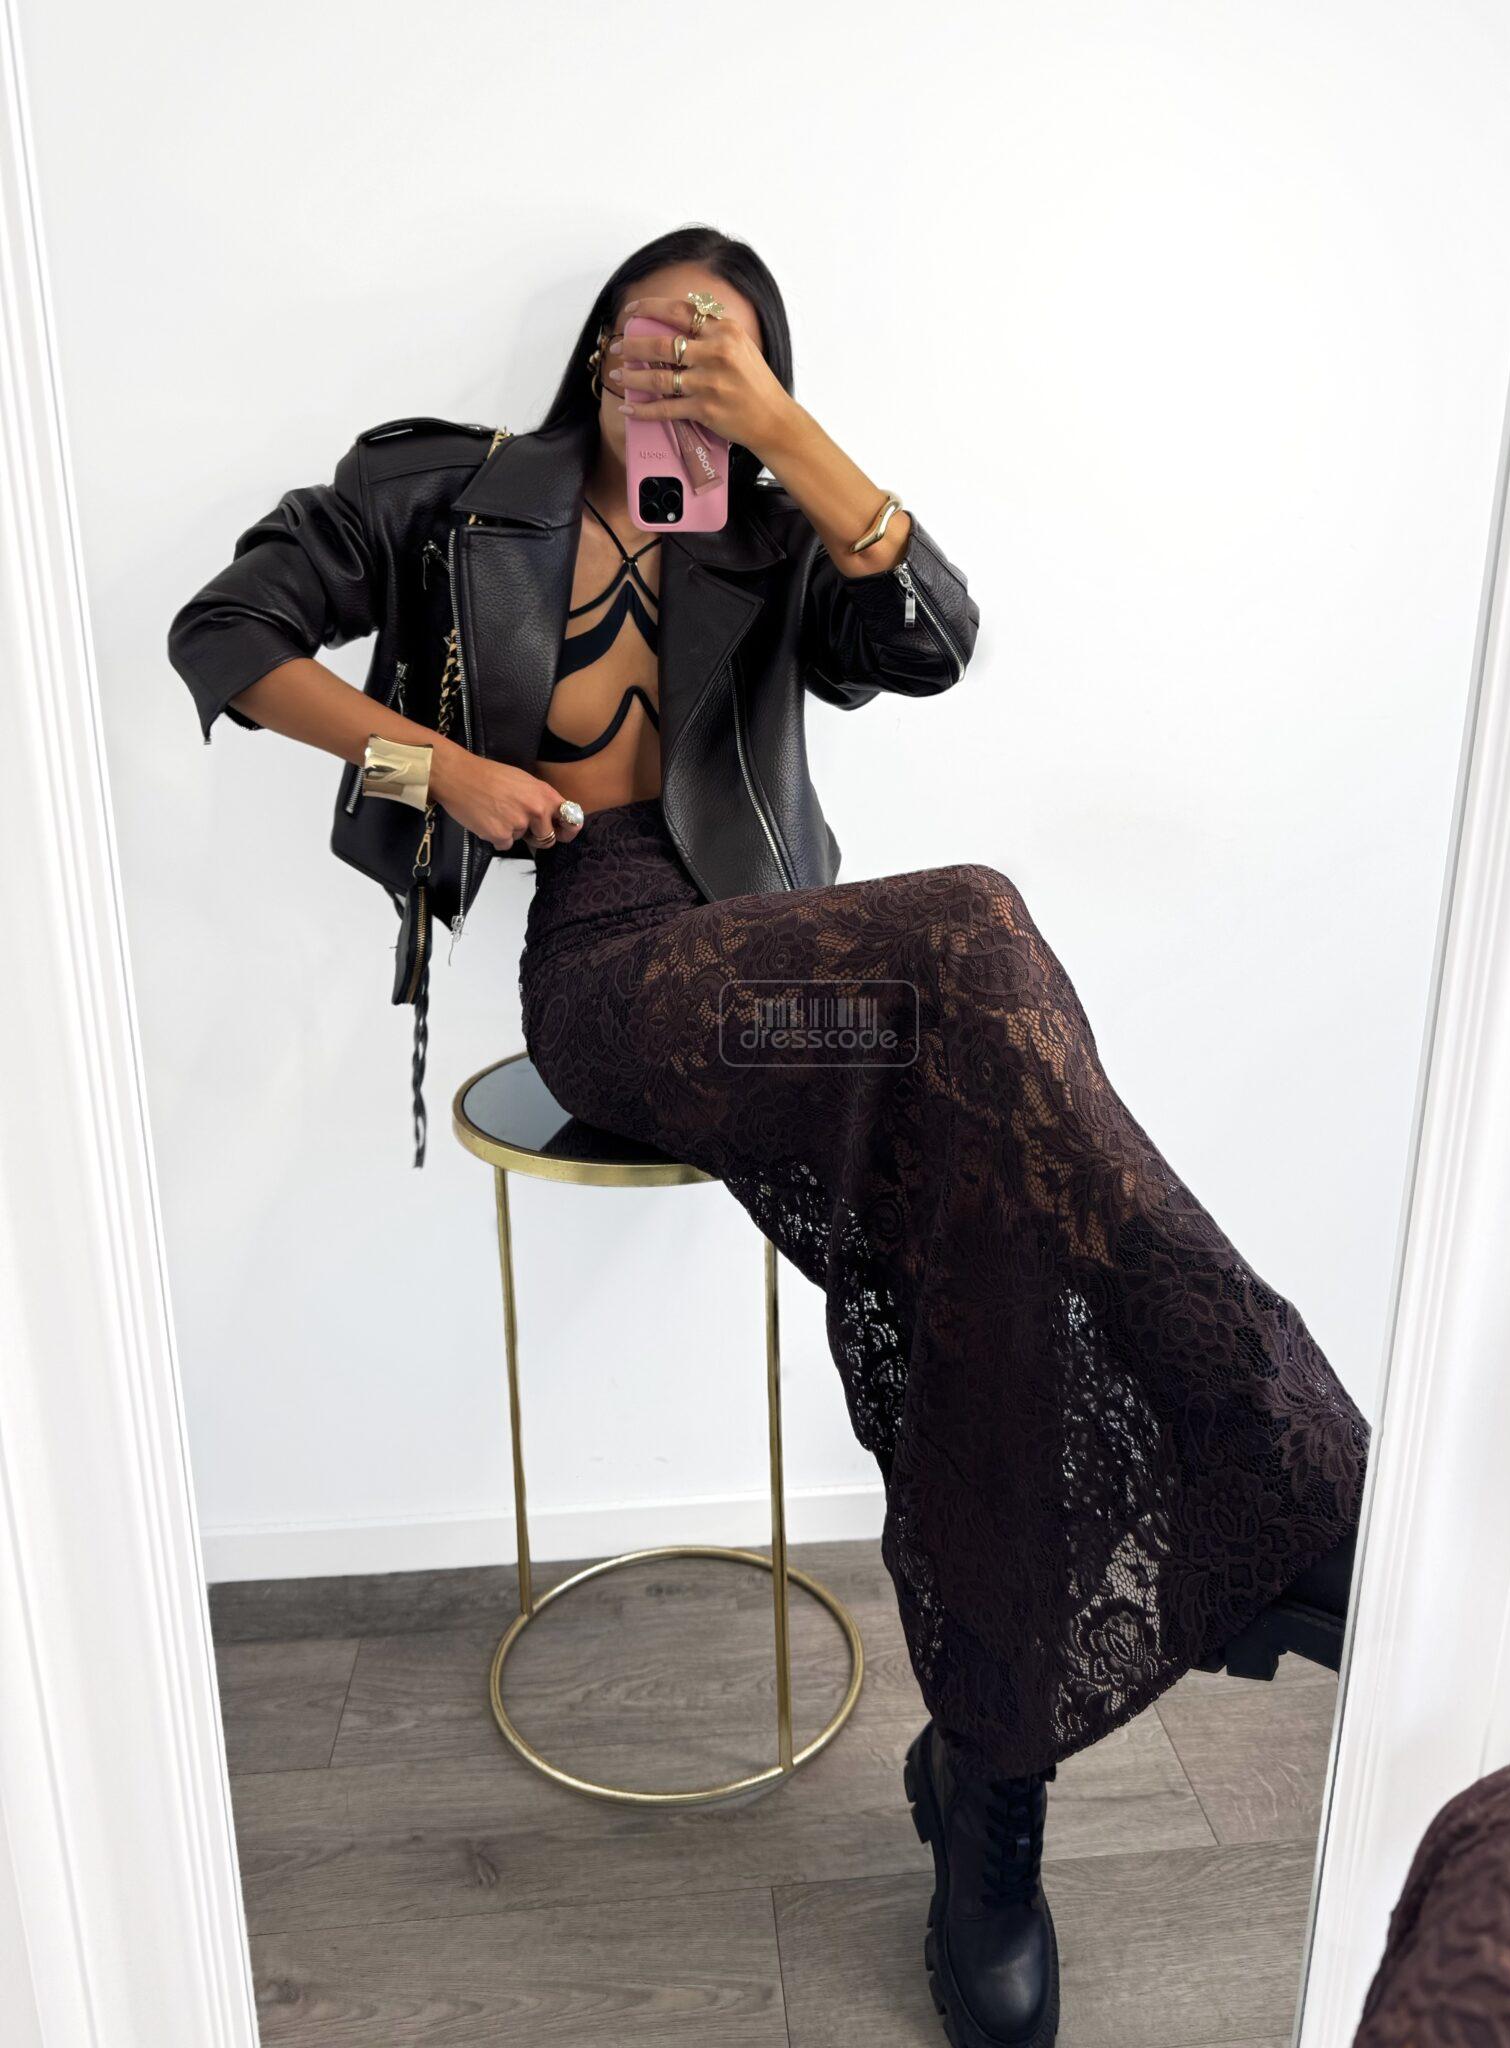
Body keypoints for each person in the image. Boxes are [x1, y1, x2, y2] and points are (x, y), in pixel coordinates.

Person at [169, 224, 1368, 2048]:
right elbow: (224, 632)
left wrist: (785, 442)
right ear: (595, 347)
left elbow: (935, 641)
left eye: (720, 353)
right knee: (975, 926)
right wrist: (441, 767)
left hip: (798, 984)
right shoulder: (444, 497)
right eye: (656, 337)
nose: (677, 371)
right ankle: (1279, 1449)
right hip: (612, 981)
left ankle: (989, 1783)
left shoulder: (773, 534)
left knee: (986, 1221)